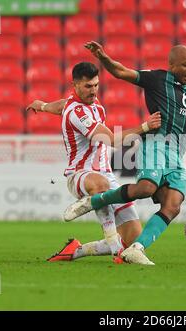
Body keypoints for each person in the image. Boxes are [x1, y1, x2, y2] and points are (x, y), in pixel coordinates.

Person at [63, 42, 186, 265]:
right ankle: (95, 201)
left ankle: (136, 248)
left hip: (177, 150)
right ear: (172, 66)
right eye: (185, 65)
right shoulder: (156, 79)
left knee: (173, 204)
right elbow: (121, 71)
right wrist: (103, 57)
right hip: (156, 142)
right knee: (146, 188)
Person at [27, 62, 161, 264]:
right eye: (88, 86)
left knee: (133, 237)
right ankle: (115, 247)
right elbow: (112, 140)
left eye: (96, 85)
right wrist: (145, 126)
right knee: (101, 185)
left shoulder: (91, 104)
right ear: (75, 85)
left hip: (106, 175)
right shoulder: (77, 113)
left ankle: (76, 251)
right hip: (80, 175)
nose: (93, 90)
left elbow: (62, 104)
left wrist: (43, 106)